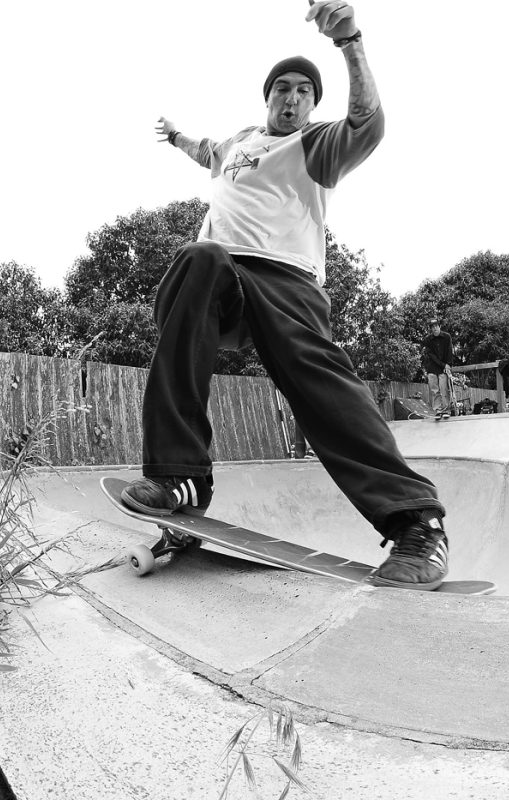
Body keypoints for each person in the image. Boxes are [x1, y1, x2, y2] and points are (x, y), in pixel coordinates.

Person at [120, 1, 451, 590]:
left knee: (315, 376)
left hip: (287, 282)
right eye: (282, 90)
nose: (291, 99)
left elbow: (367, 124)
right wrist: (177, 138)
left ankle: (416, 525)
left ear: (310, 106)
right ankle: (181, 476)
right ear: (266, 97)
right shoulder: (239, 143)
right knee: (198, 257)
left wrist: (349, 42)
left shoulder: (315, 145)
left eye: (303, 92)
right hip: (221, 283)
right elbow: (207, 153)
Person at [421, 318, 453, 418]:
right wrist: (443, 365)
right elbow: (431, 356)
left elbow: (449, 351)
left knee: (444, 388)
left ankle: (446, 410)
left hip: (444, 367)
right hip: (432, 367)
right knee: (434, 390)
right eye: (432, 327)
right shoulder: (428, 340)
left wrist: (448, 365)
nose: (434, 328)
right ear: (431, 329)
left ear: (439, 326)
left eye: (436, 326)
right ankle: (438, 410)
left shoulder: (447, 337)